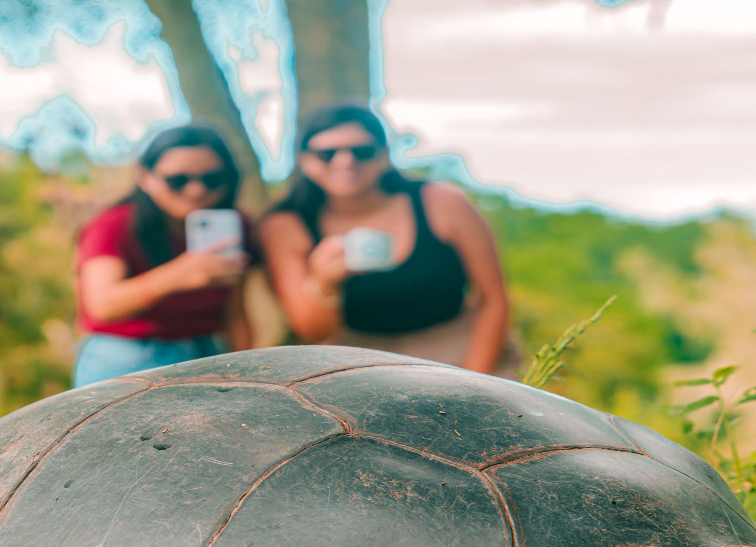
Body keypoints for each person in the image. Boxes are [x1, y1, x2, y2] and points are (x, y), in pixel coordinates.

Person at [258, 103, 515, 376]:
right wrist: (324, 283)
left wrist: (474, 382)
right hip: (355, 362)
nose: (345, 162)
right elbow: (314, 332)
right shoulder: (285, 225)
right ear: (303, 160)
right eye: (327, 154)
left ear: (385, 155)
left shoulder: (442, 202)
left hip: (457, 348)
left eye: (362, 151)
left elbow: (493, 299)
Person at [72, 124, 253, 386]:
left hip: (207, 353)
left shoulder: (236, 225)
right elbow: (102, 306)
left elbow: (236, 313)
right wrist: (178, 274)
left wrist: (245, 371)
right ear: (145, 176)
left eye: (211, 179)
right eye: (177, 180)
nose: (196, 190)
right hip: (125, 357)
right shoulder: (112, 224)